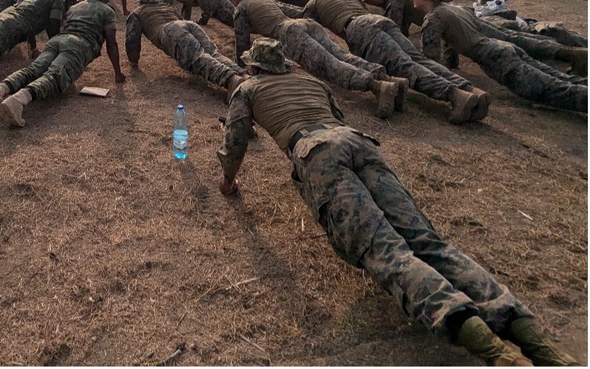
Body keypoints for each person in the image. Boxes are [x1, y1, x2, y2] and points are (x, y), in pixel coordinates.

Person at [216, 36, 576, 368]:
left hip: (317, 152)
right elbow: (337, 120)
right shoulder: (312, 82)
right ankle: (538, 344)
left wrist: (228, 182)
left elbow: (235, 142)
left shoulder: (247, 88)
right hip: (357, 142)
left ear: (254, 67)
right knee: (426, 241)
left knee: (386, 251)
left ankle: (494, 353)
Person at [302, 0, 486, 123]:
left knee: (403, 67)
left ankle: (455, 95)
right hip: (378, 20)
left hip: (360, 28)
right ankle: (470, 89)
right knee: (418, 60)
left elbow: (305, 26)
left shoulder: (314, 2)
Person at [230, 0, 402, 118]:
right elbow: (289, 11)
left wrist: (241, 68)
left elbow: (242, 40)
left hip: (289, 33)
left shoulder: (242, 8)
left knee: (328, 65)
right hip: (305, 24)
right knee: (340, 55)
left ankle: (376, 85)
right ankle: (390, 79)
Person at [412, 0, 587, 113]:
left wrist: (441, 83)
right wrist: (452, 65)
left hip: (495, 58)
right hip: (503, 48)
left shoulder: (433, 19)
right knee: (557, 77)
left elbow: (430, 57)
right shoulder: (455, 9)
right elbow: (455, 40)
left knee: (548, 89)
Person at [0, 0, 125, 126]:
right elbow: (111, 43)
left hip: (57, 40)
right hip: (78, 45)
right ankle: (19, 99)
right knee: (53, 76)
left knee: (33, 70)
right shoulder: (107, 11)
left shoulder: (75, 7)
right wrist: (117, 73)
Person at [125, 0, 246, 94]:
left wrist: (133, 61)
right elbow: (181, 22)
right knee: (212, 53)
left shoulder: (137, 13)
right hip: (188, 24)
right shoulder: (168, 7)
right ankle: (242, 74)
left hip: (170, 30)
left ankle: (231, 79)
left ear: (140, 0)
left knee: (197, 57)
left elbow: (132, 40)